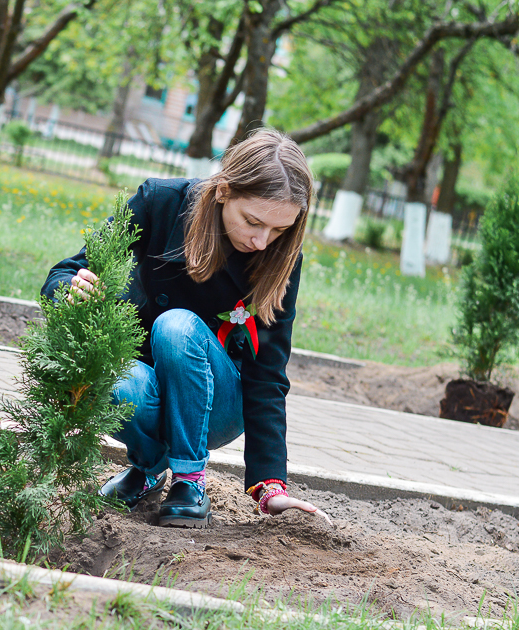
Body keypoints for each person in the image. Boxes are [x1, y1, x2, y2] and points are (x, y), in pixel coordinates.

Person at [42, 129, 330, 528]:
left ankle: (190, 481)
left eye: (279, 230)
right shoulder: (160, 202)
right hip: (146, 384)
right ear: (225, 190)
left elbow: (268, 374)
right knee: (112, 378)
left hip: (219, 400)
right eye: (253, 222)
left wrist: (270, 485)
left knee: (176, 327)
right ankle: (147, 470)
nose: (264, 242)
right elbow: (67, 272)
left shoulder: (279, 258)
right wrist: (71, 290)